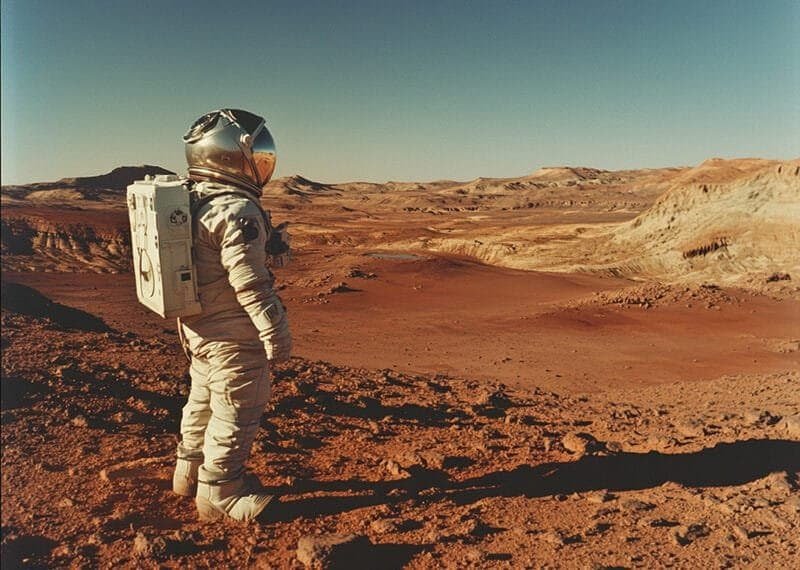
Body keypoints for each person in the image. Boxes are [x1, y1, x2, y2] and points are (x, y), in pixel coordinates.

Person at [171, 108, 292, 521]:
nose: (263, 159)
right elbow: (250, 283)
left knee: (204, 397)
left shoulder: (192, 199)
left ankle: (188, 473)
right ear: (233, 153)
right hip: (234, 332)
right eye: (257, 151)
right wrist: (275, 332)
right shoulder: (236, 210)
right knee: (238, 406)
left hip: (199, 325)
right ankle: (220, 492)